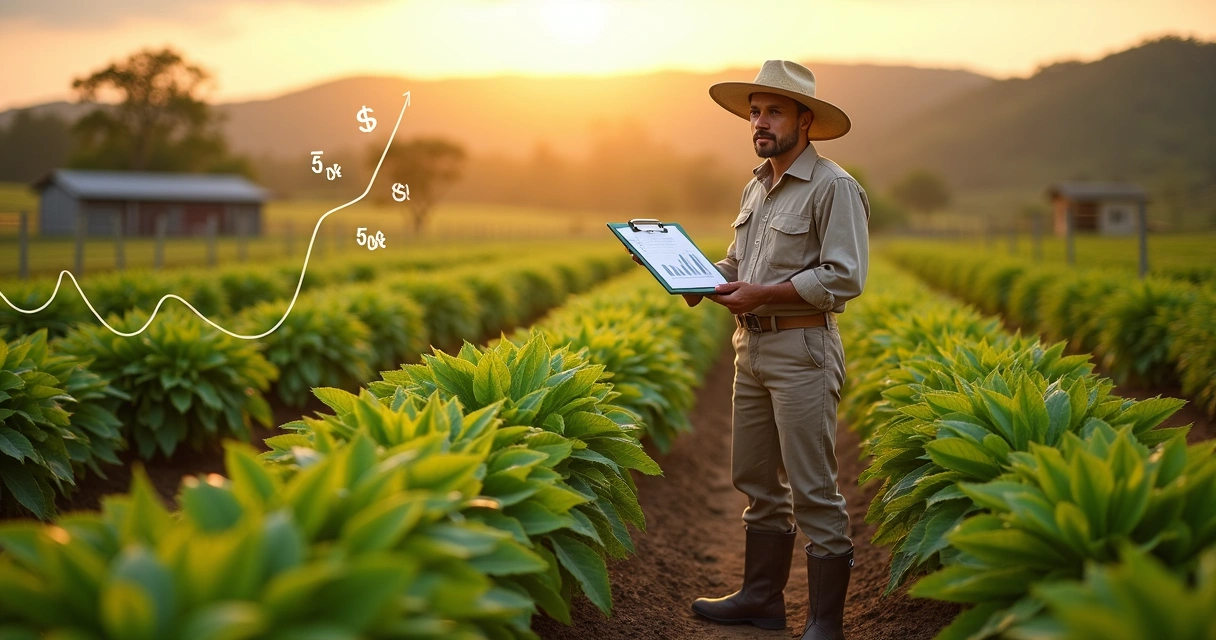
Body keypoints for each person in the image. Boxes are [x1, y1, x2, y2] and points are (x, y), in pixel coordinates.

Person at [692, 59, 870, 640]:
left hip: (803, 350)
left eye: (772, 111)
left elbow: (845, 277)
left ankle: (824, 623)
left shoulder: (834, 187)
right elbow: (738, 264)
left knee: (813, 487)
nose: (760, 122)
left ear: (805, 120)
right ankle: (762, 599)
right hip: (753, 349)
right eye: (754, 112)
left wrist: (762, 293)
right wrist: (691, 276)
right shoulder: (756, 185)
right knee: (755, 479)